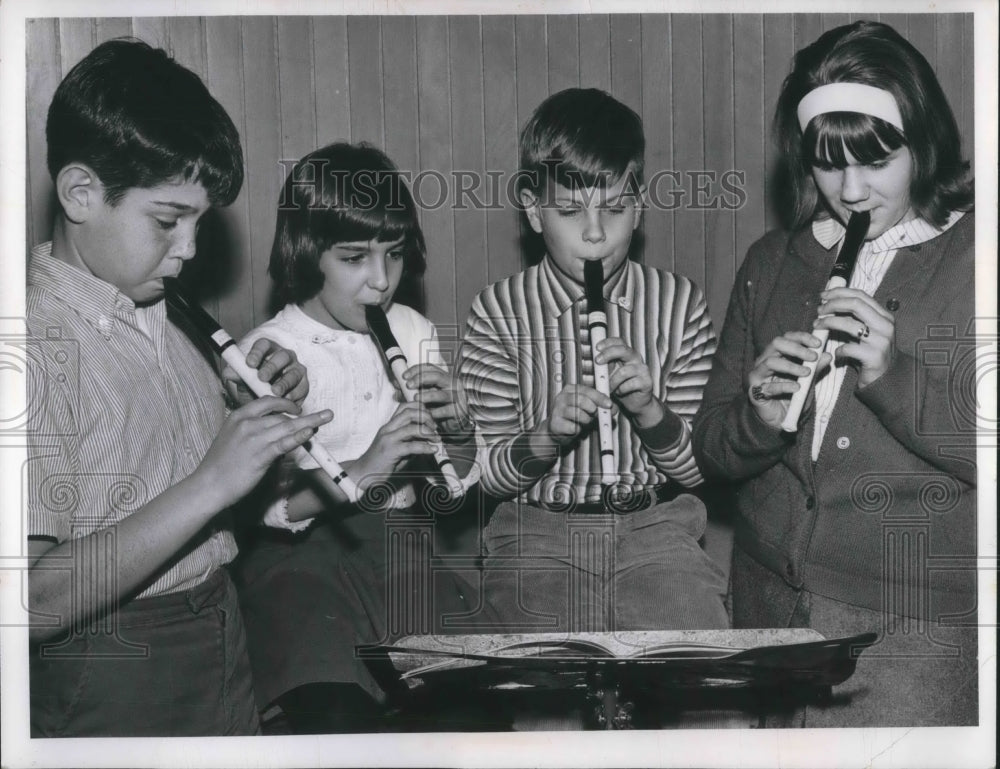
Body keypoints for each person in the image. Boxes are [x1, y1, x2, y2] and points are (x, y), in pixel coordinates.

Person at [26, 39, 333, 737]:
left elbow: (216, 509)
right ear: (80, 193)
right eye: (167, 221)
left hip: (220, 633)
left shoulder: (166, 311)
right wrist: (212, 480)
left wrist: (254, 430)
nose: (190, 248)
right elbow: (31, 599)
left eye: (199, 222)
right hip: (112, 667)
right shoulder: (30, 347)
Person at [692, 21, 977, 727]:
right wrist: (758, 411)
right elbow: (710, 449)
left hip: (911, 626)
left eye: (876, 161)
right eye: (828, 163)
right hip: (767, 611)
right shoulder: (771, 261)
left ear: (925, 142)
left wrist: (889, 371)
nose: (850, 189)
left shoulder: (977, 255)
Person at [233, 142, 485, 733]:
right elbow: (265, 509)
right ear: (306, 252)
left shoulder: (413, 330)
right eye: (354, 257)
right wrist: (365, 469)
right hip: (300, 567)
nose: (380, 282)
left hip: (400, 552)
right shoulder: (266, 354)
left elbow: (454, 487)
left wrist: (458, 429)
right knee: (335, 720)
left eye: (394, 255)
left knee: (470, 705)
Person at [457, 88, 729, 633]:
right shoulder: (496, 311)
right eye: (568, 211)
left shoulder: (680, 304)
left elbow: (703, 470)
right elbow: (483, 477)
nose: (596, 234)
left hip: (658, 527)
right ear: (534, 212)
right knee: (540, 708)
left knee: (706, 692)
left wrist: (650, 412)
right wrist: (545, 438)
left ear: (640, 205)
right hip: (534, 534)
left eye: (614, 208)